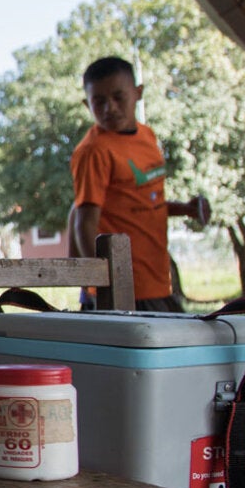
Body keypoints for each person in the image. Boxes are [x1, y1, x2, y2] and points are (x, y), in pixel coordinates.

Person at [70, 56, 209, 311]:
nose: (109, 108)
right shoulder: (93, 151)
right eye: (98, 101)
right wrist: (102, 285)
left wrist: (185, 209)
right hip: (122, 289)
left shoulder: (147, 136)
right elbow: (84, 222)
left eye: (118, 97)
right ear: (86, 104)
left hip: (157, 281)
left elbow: (142, 201)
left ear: (138, 93)